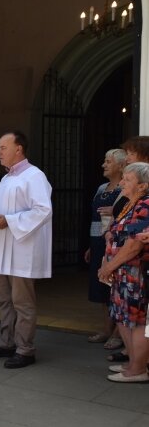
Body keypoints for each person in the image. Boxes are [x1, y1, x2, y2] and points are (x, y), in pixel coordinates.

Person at [0, 131, 52, 369]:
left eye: (3, 147)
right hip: (2, 249)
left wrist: (8, 221)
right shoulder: (5, 180)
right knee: (4, 299)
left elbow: (43, 210)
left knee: (22, 301)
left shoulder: (35, 176)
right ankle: (6, 342)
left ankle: (25, 348)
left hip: (22, 248)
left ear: (18, 148)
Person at [97, 162, 149, 382]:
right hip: (123, 270)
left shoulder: (145, 204)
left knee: (136, 321)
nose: (122, 183)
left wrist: (109, 266)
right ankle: (133, 364)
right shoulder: (132, 203)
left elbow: (134, 244)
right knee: (123, 318)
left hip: (134, 273)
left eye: (128, 180)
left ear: (143, 186)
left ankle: (138, 369)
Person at [85, 149, 126, 347]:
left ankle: (118, 334)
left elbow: (130, 215)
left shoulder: (125, 188)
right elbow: (95, 219)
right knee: (102, 287)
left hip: (118, 243)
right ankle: (107, 329)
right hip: (99, 242)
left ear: (120, 165)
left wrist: (115, 210)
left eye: (108, 161)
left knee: (116, 288)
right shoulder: (102, 188)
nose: (104, 165)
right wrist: (92, 245)